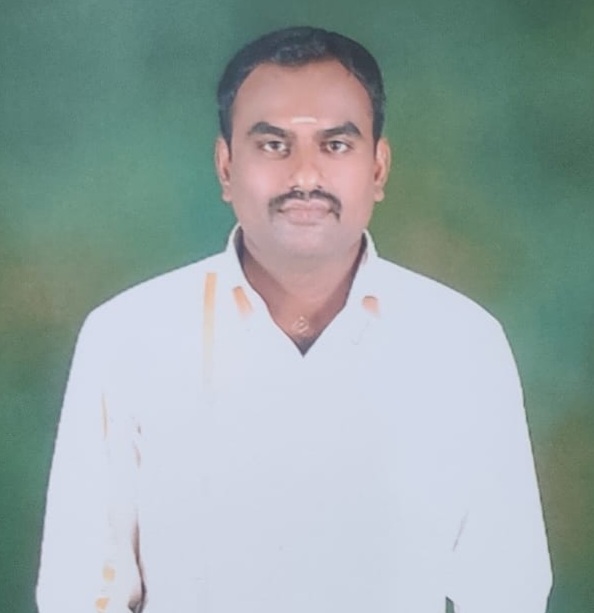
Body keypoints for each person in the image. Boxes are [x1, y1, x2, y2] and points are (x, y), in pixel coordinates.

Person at [37, 26, 552, 613]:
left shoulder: (462, 345)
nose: (305, 177)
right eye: (273, 145)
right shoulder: (128, 338)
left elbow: (507, 589)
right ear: (226, 166)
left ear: (378, 169)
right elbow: (81, 590)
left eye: (336, 145)